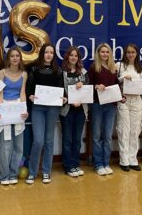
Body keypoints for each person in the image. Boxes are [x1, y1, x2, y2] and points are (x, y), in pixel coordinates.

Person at [25, 43, 64, 184]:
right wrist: (30, 96)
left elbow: (61, 90)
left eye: (51, 53)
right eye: (46, 52)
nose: (49, 55)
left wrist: (63, 98)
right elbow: (28, 89)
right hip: (38, 109)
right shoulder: (34, 70)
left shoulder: (58, 71)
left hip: (52, 109)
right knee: (38, 141)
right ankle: (32, 172)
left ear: (53, 55)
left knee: (49, 141)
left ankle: (46, 171)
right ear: (42, 54)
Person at [0, 47, 28, 185]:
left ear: (20, 58)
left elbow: (22, 93)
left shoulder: (24, 74)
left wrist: (24, 109)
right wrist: (0, 111)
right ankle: (4, 175)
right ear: (8, 58)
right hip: (5, 108)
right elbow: (0, 93)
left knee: (19, 146)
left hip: (18, 109)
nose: (15, 58)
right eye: (12, 56)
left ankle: (13, 173)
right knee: (5, 145)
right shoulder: (2, 73)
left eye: (17, 56)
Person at [88, 43, 121, 176]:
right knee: (96, 136)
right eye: (102, 52)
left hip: (111, 106)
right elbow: (88, 85)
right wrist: (96, 86)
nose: (105, 54)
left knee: (107, 136)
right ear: (98, 53)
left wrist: (121, 97)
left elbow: (117, 86)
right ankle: (98, 164)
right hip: (97, 105)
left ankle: (106, 163)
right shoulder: (93, 67)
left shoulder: (113, 68)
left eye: (107, 52)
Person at [60, 46, 89, 177]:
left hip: (81, 110)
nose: (73, 58)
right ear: (67, 57)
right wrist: (69, 99)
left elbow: (88, 90)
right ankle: (68, 166)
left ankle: (76, 164)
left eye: (76, 56)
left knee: (77, 139)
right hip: (67, 110)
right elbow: (60, 91)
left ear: (78, 58)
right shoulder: (62, 72)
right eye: (71, 55)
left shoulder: (83, 72)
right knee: (67, 139)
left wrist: (82, 87)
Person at [115, 43, 142, 172]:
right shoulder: (119, 65)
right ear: (125, 53)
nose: (131, 54)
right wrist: (122, 78)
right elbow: (113, 81)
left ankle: (133, 159)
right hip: (124, 100)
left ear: (136, 53)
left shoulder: (140, 68)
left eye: (133, 52)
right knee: (124, 130)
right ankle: (124, 160)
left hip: (137, 100)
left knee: (135, 131)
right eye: (128, 52)